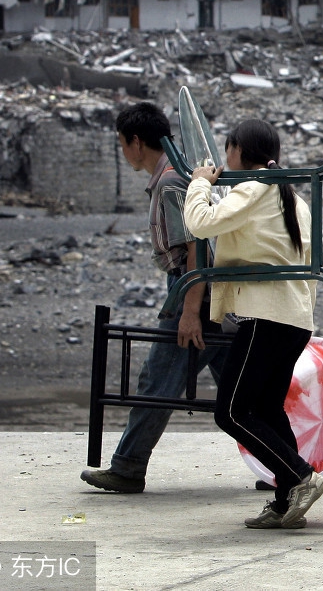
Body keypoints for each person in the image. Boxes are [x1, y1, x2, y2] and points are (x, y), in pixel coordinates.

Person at [184, 119, 323, 530]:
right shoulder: (291, 196)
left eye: (227, 150)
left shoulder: (254, 187)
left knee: (230, 411)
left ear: (237, 152)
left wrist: (199, 183)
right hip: (294, 318)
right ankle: (286, 502)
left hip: (267, 316)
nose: (223, 158)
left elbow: (200, 223)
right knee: (266, 408)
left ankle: (301, 476)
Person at [81, 102, 228, 494]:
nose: (122, 151)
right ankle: (283, 466)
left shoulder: (169, 182)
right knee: (237, 386)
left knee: (157, 379)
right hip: (209, 291)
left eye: (122, 143)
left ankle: (128, 467)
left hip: (191, 289)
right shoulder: (175, 172)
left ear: (135, 141)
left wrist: (190, 312)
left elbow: (197, 247)